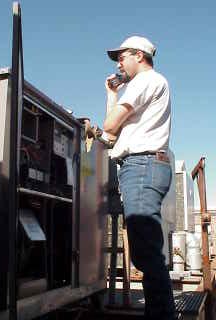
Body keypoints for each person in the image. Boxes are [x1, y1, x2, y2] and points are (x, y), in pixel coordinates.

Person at [103, 36, 176, 320]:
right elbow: (111, 134)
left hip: (142, 165)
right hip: (140, 166)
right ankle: (159, 312)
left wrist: (116, 99)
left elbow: (109, 125)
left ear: (138, 55)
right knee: (145, 250)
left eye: (121, 57)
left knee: (146, 250)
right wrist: (112, 95)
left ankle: (161, 315)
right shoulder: (141, 86)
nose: (118, 63)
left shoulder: (146, 81)